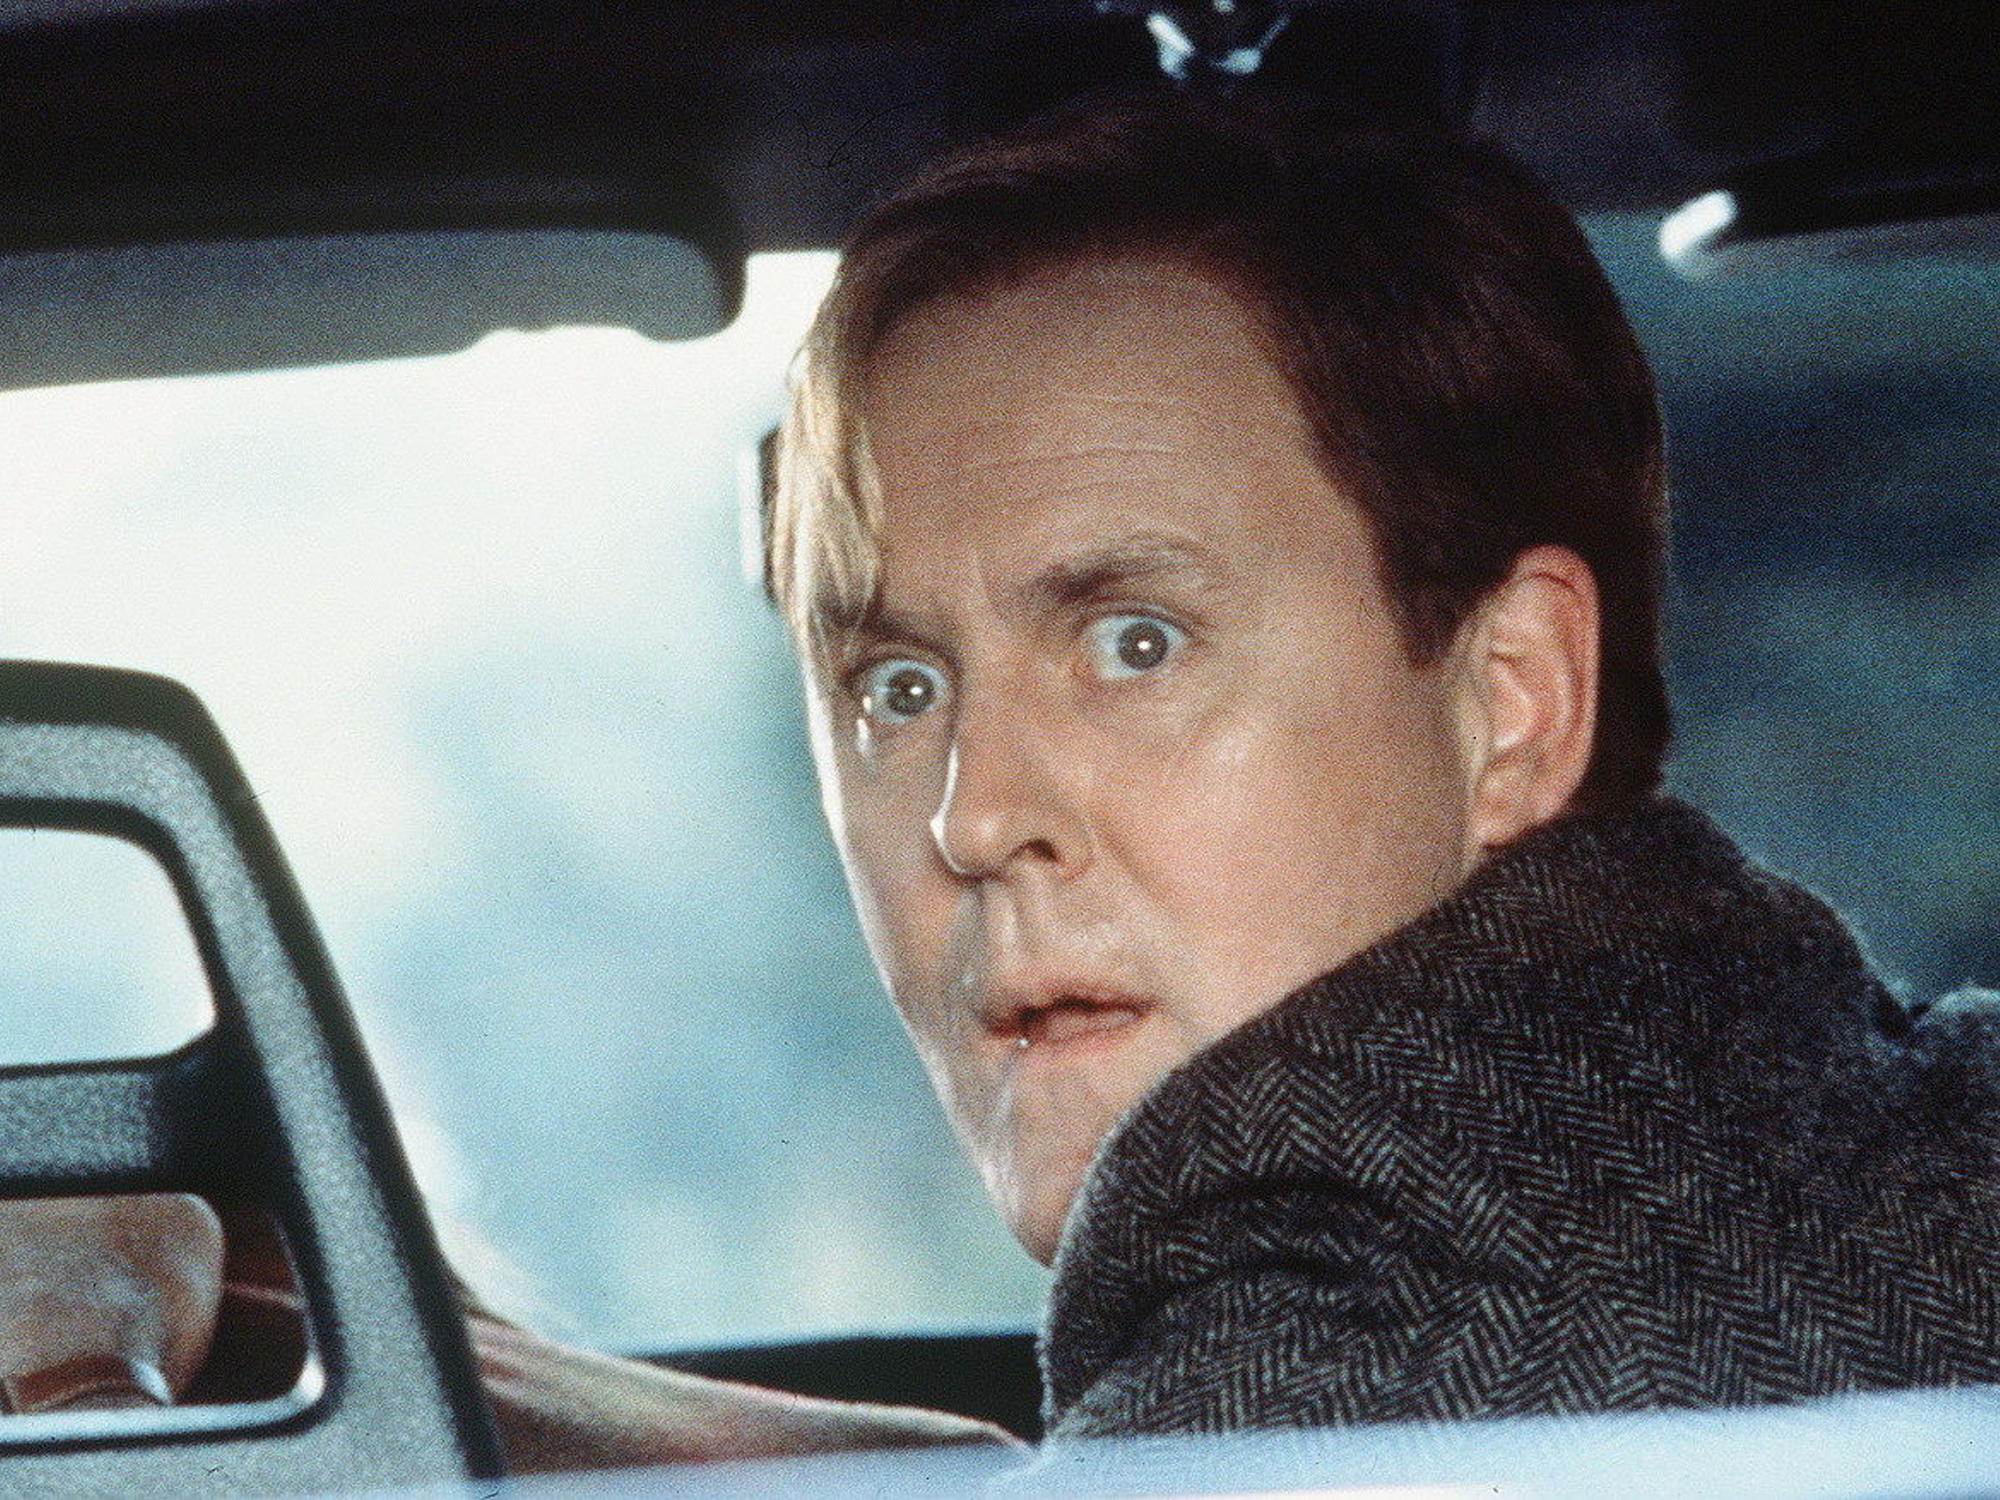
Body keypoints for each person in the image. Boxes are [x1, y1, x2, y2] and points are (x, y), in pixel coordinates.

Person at [7, 85, 2000, 1464]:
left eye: (1134, 645)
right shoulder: (1853, 1151)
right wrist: (414, 1343)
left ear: (1512, 699)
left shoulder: (1358, 1344)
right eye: (894, 688)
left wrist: (94, 1415)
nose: (969, 820)